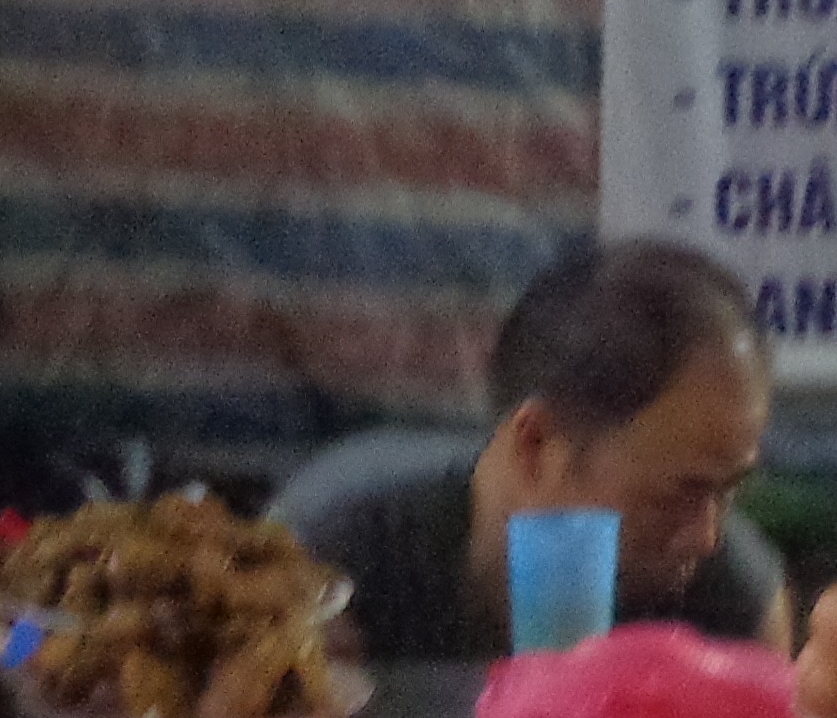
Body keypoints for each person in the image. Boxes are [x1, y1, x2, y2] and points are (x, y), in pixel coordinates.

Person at [273, 238, 787, 665]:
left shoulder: (728, 604)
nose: (705, 537)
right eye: (680, 494)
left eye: (729, 490)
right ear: (536, 443)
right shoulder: (328, 561)